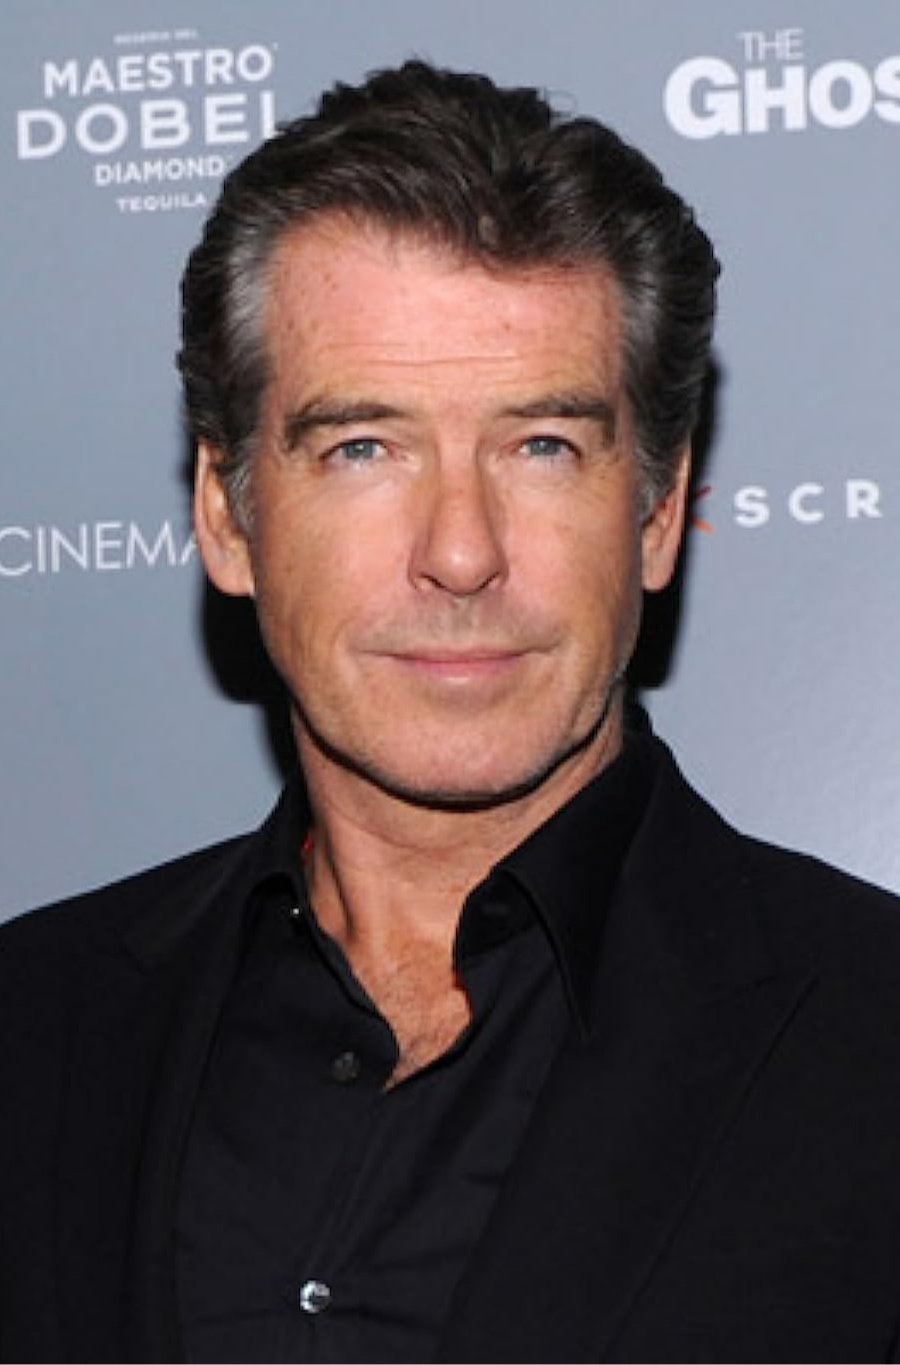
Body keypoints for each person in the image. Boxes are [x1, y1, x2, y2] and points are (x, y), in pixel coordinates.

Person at [3, 59, 900, 1365]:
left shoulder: (874, 1036)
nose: (463, 553)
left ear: (657, 511)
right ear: (226, 515)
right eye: (364, 447)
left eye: (542, 446)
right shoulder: (31, 1025)